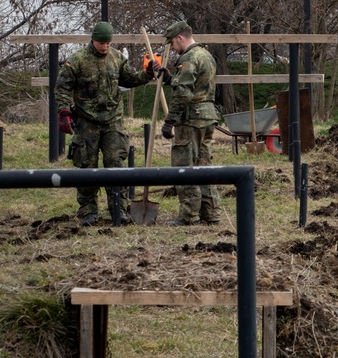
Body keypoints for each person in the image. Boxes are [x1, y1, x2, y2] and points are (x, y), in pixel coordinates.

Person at [56, 21, 156, 226]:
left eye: (108, 43)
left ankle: (118, 209)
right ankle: (88, 212)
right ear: (93, 40)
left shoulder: (117, 58)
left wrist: (147, 74)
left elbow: (129, 79)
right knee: (86, 166)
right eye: (101, 43)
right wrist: (64, 113)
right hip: (86, 121)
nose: (104, 47)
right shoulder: (77, 61)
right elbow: (62, 87)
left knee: (116, 165)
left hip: (112, 121)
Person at [160, 20, 221, 225]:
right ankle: (211, 213)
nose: (172, 48)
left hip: (191, 119)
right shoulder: (206, 55)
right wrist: (170, 79)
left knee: (184, 166)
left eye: (172, 43)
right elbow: (197, 85)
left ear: (180, 38)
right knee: (204, 165)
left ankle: (188, 216)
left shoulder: (187, 58)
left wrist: (170, 120)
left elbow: (184, 93)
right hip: (207, 116)